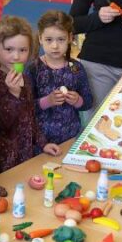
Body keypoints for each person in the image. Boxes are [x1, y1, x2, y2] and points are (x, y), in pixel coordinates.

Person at [0, 16, 61, 179]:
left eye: (23, 50)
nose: (16, 57)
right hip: (2, 158)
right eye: (9, 49)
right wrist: (13, 94)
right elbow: (2, 124)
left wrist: (43, 143)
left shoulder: (24, 79)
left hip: (25, 153)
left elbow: (29, 116)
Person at [29, 10, 93, 148]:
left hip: (71, 139)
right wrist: (48, 101)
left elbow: (88, 102)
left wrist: (77, 100)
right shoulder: (34, 69)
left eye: (61, 39)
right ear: (40, 39)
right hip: (41, 142)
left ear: (70, 38)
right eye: (49, 40)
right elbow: (25, 107)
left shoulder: (76, 68)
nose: (55, 46)